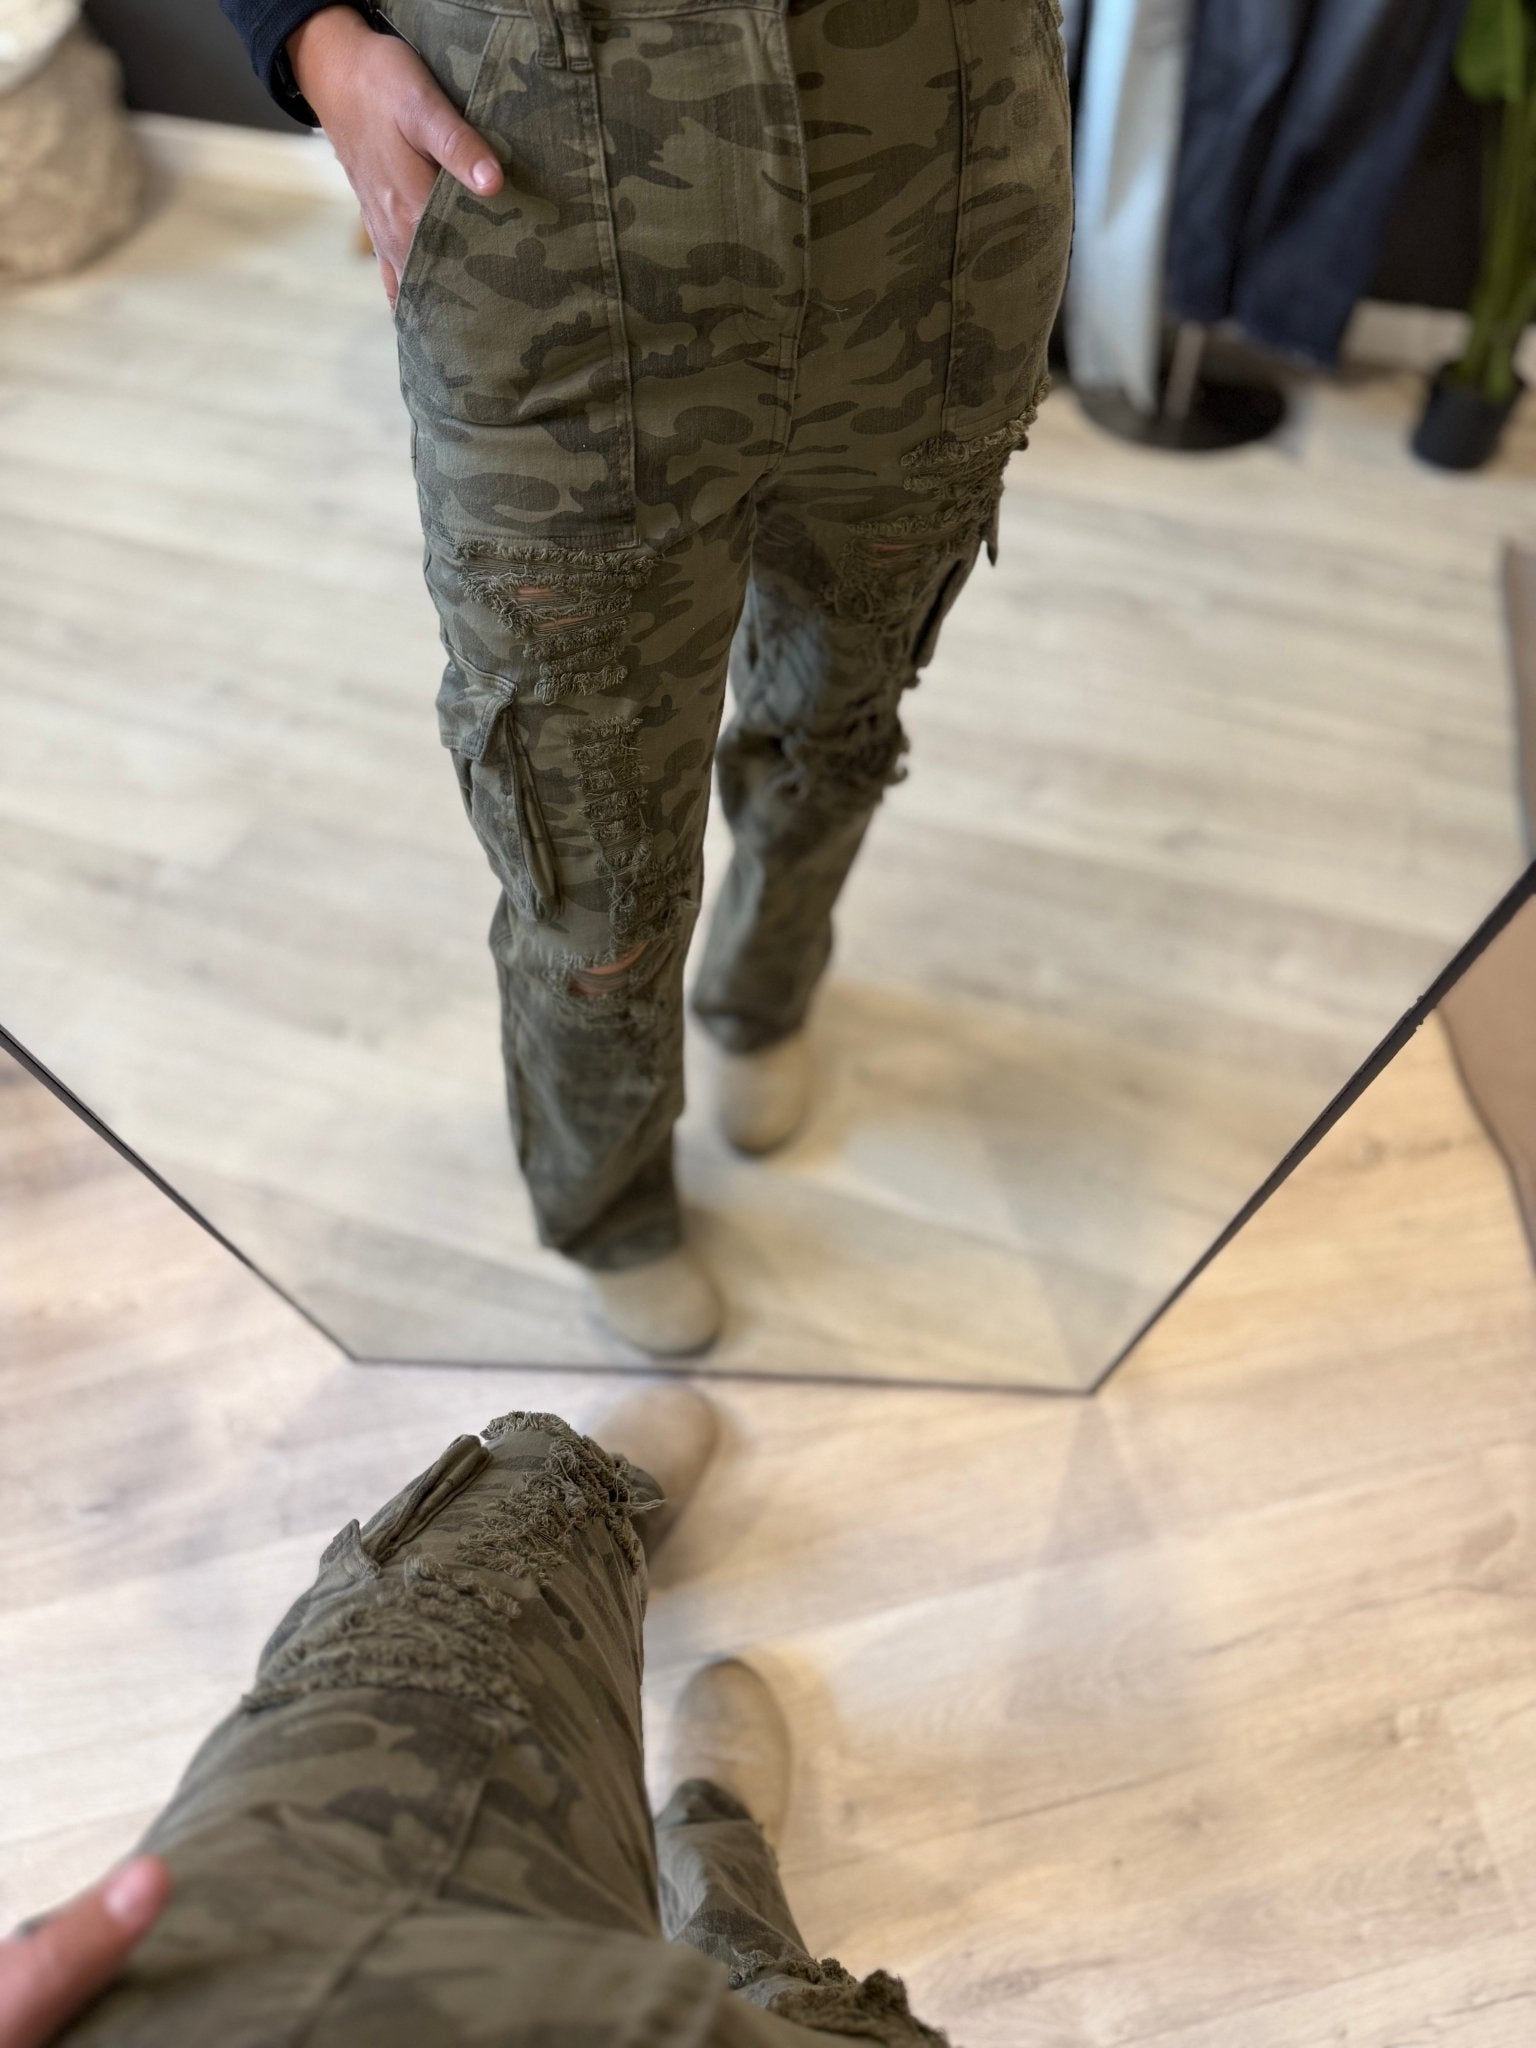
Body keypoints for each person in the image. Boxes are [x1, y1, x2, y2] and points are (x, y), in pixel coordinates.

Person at [219, 0, 1074, 1355]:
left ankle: (761, 992)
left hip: (939, 158)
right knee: (585, 840)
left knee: (841, 707)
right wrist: (308, 36)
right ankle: (608, 1203)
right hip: (545, 177)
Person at [16, 1390, 953, 2046]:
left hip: (215, 1976)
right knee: (768, 2006)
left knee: (439, 1617)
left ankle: (601, 1534)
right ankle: (717, 1862)